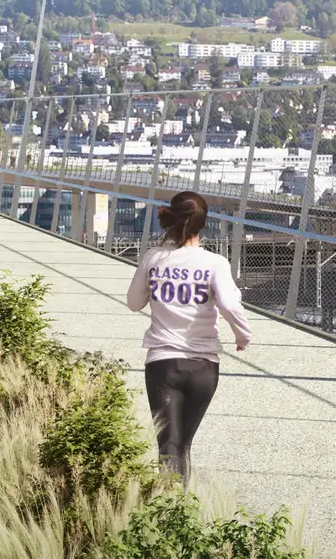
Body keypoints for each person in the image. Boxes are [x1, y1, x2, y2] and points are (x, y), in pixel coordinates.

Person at [125, 191, 252, 484]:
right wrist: (242, 336)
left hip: (163, 364)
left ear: (171, 219)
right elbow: (231, 305)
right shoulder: (215, 263)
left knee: (169, 446)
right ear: (202, 223)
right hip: (205, 367)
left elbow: (134, 303)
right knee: (183, 445)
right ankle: (181, 513)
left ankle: (169, 513)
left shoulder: (153, 258)